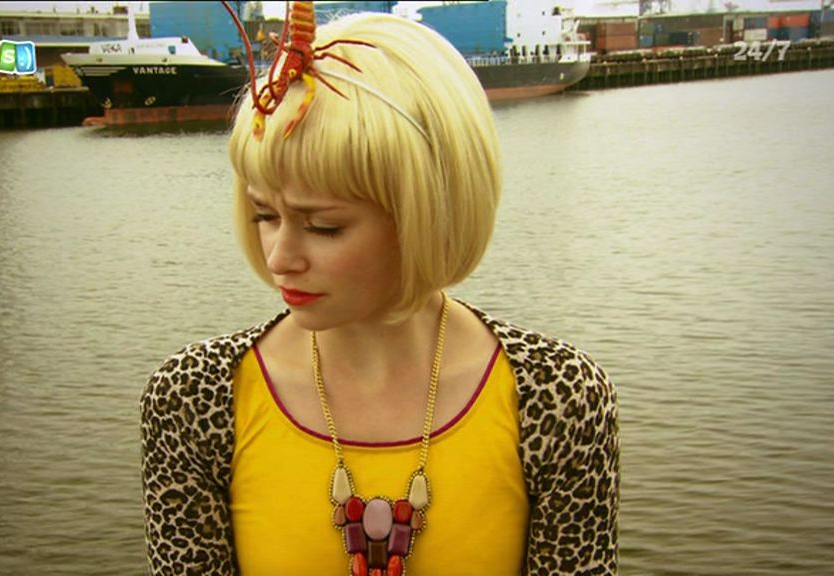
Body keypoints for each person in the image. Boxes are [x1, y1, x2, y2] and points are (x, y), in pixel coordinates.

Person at [141, 8, 618, 576]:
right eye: (264, 215)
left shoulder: (559, 398)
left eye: (324, 226)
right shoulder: (193, 399)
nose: (279, 258)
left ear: (429, 212)